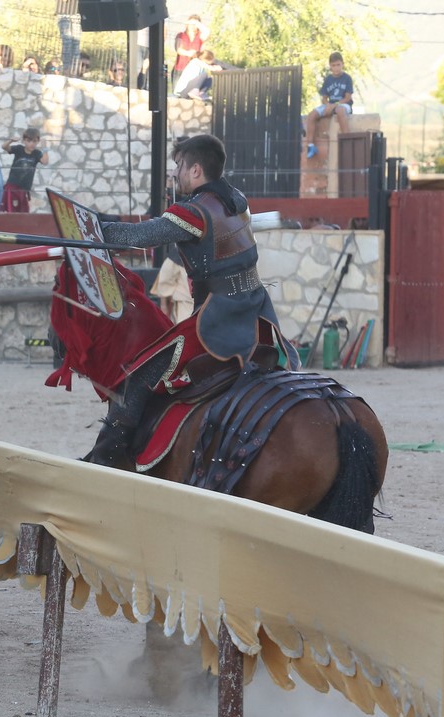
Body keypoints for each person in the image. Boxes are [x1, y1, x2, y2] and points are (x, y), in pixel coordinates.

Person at [84, 134, 298, 468]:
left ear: (196, 170)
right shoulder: (236, 200)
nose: (176, 173)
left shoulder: (194, 213)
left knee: (139, 377)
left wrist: (93, 227)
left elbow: (138, 237)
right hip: (256, 310)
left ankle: (104, 464)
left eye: (179, 167)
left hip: (220, 319)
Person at [304, 52, 354, 160]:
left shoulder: (347, 78)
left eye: (338, 65)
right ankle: (311, 146)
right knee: (312, 115)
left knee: (340, 111)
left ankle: (347, 142)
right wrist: (327, 105)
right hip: (330, 105)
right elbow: (324, 98)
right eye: (334, 65)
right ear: (330, 66)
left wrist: (334, 105)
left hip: (343, 105)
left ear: (342, 64)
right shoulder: (328, 80)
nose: (336, 68)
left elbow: (348, 97)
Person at [0, 128, 46, 213]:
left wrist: (45, 148)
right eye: (29, 141)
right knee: (11, 210)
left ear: (38, 141)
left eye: (35, 141)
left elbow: (45, 161)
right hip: (12, 187)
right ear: (24, 141)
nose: (32, 144)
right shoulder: (19, 149)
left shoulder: (36, 153)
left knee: (23, 212)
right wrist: (11, 141)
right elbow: (4, 147)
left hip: (24, 189)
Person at [172, 14, 206, 83]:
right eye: (191, 24)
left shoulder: (200, 36)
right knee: (177, 91)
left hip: (194, 70)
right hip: (180, 69)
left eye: (195, 24)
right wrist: (189, 53)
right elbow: (178, 49)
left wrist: (197, 23)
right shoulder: (181, 35)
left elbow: (207, 32)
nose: (192, 26)